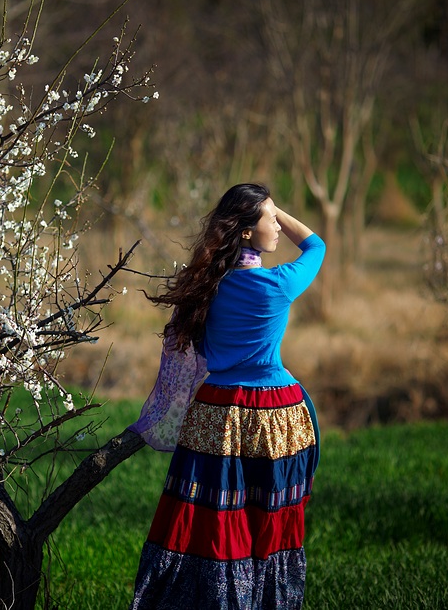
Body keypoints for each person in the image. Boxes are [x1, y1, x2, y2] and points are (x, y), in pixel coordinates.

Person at [129, 183, 326, 610]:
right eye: (270, 219)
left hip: (215, 412)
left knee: (208, 519)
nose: (276, 225)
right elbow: (316, 245)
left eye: (277, 218)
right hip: (274, 417)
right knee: (268, 522)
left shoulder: (205, 286)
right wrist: (281, 210)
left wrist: (261, 210)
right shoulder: (278, 285)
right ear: (247, 233)